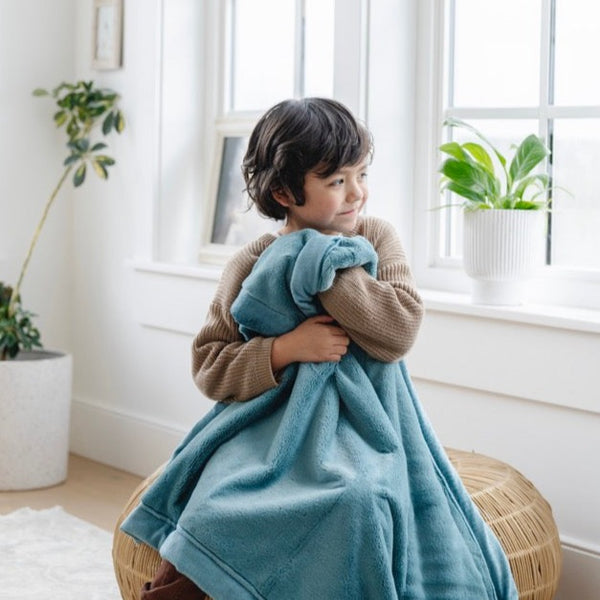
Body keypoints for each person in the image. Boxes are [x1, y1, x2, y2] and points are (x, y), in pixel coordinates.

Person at [128, 97, 516, 600]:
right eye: (336, 182)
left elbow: (398, 331)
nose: (357, 192)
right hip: (266, 433)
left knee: (359, 500)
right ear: (284, 192)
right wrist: (284, 349)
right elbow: (209, 365)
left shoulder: (375, 239)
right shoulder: (253, 260)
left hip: (363, 429)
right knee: (214, 507)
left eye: (360, 173)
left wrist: (323, 265)